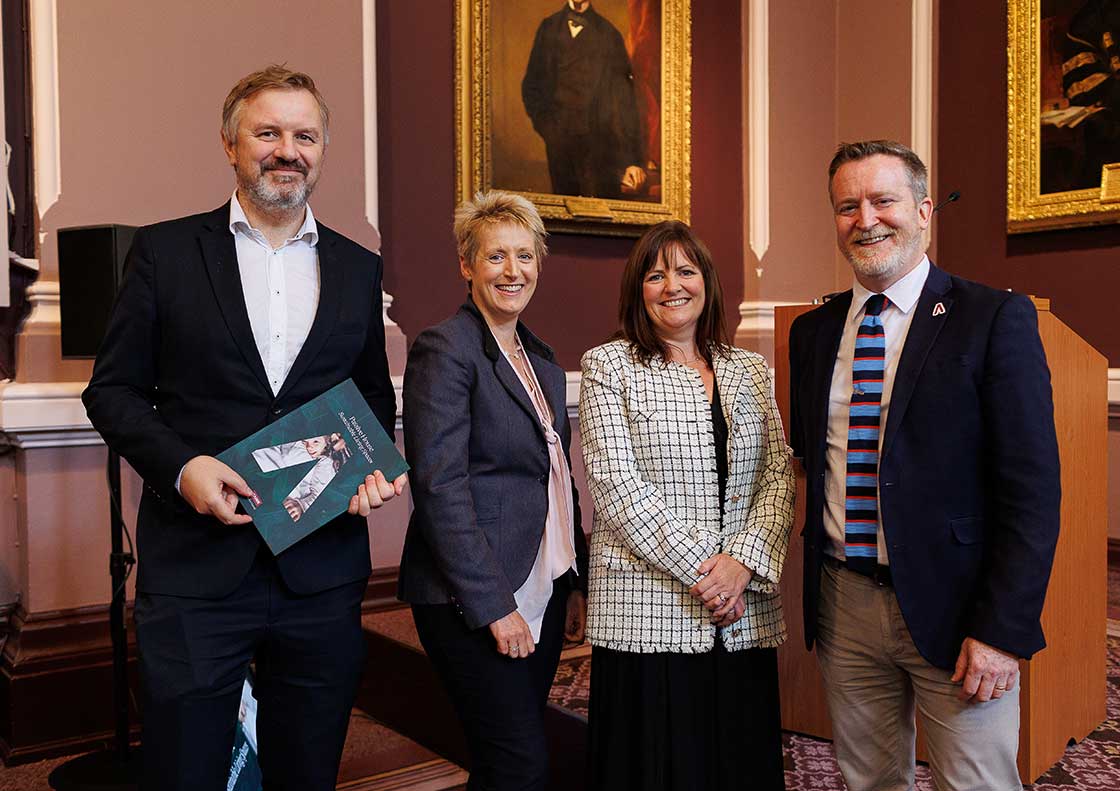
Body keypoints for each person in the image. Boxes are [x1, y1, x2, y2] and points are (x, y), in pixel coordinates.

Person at [81, 65, 406, 791]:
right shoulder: (165, 253)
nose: (287, 150)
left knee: (307, 770)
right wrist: (181, 467)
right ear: (231, 144)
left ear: (322, 150)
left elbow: (373, 402)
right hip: (196, 568)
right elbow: (112, 391)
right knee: (187, 771)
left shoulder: (358, 268)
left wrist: (367, 471)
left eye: (305, 135)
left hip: (320, 573)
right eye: (269, 132)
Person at [788, 140, 1061, 791]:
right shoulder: (813, 333)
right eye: (847, 206)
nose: (866, 219)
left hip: (958, 605)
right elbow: (811, 462)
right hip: (844, 602)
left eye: (883, 200)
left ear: (924, 209)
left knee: (975, 783)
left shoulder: (993, 318)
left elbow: (1032, 493)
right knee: (868, 779)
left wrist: (1003, 628)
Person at [578, 220, 795, 790]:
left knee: (737, 763)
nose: (672, 286)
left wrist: (742, 565)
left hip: (742, 614)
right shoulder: (609, 366)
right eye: (655, 275)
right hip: (648, 611)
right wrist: (712, 576)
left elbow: (778, 474)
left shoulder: (748, 369)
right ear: (637, 290)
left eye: (685, 271)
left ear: (706, 283)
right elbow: (617, 490)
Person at [398, 190, 589, 791]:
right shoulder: (445, 350)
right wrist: (494, 605)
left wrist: (572, 576)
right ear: (467, 264)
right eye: (496, 256)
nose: (513, 271)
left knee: (507, 753)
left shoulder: (542, 359)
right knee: (519, 763)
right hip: (475, 596)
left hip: (542, 582)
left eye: (525, 256)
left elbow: (554, 473)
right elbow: (439, 486)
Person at [521, 0, 647, 198]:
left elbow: (625, 103)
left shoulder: (608, 35)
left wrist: (630, 160)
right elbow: (532, 86)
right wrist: (549, 129)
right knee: (563, 210)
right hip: (559, 142)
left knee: (600, 215)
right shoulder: (548, 28)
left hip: (599, 147)